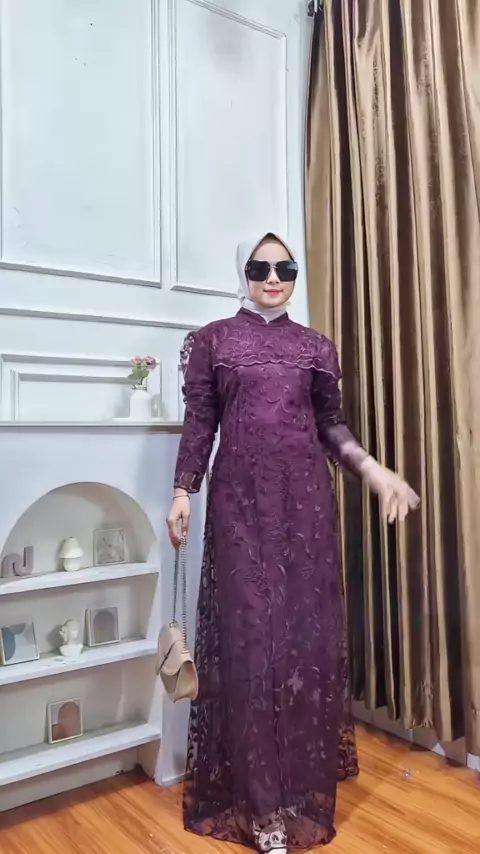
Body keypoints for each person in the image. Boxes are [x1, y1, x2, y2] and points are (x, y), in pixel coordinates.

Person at [167, 233, 419, 852]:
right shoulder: (213, 341)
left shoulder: (315, 347)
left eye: (285, 267)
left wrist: (375, 472)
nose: (273, 277)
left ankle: (294, 790)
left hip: (306, 514)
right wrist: (182, 490)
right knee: (252, 650)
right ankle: (262, 811)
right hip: (239, 512)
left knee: (301, 650)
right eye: (260, 267)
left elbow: (332, 427)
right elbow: (200, 424)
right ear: (243, 273)